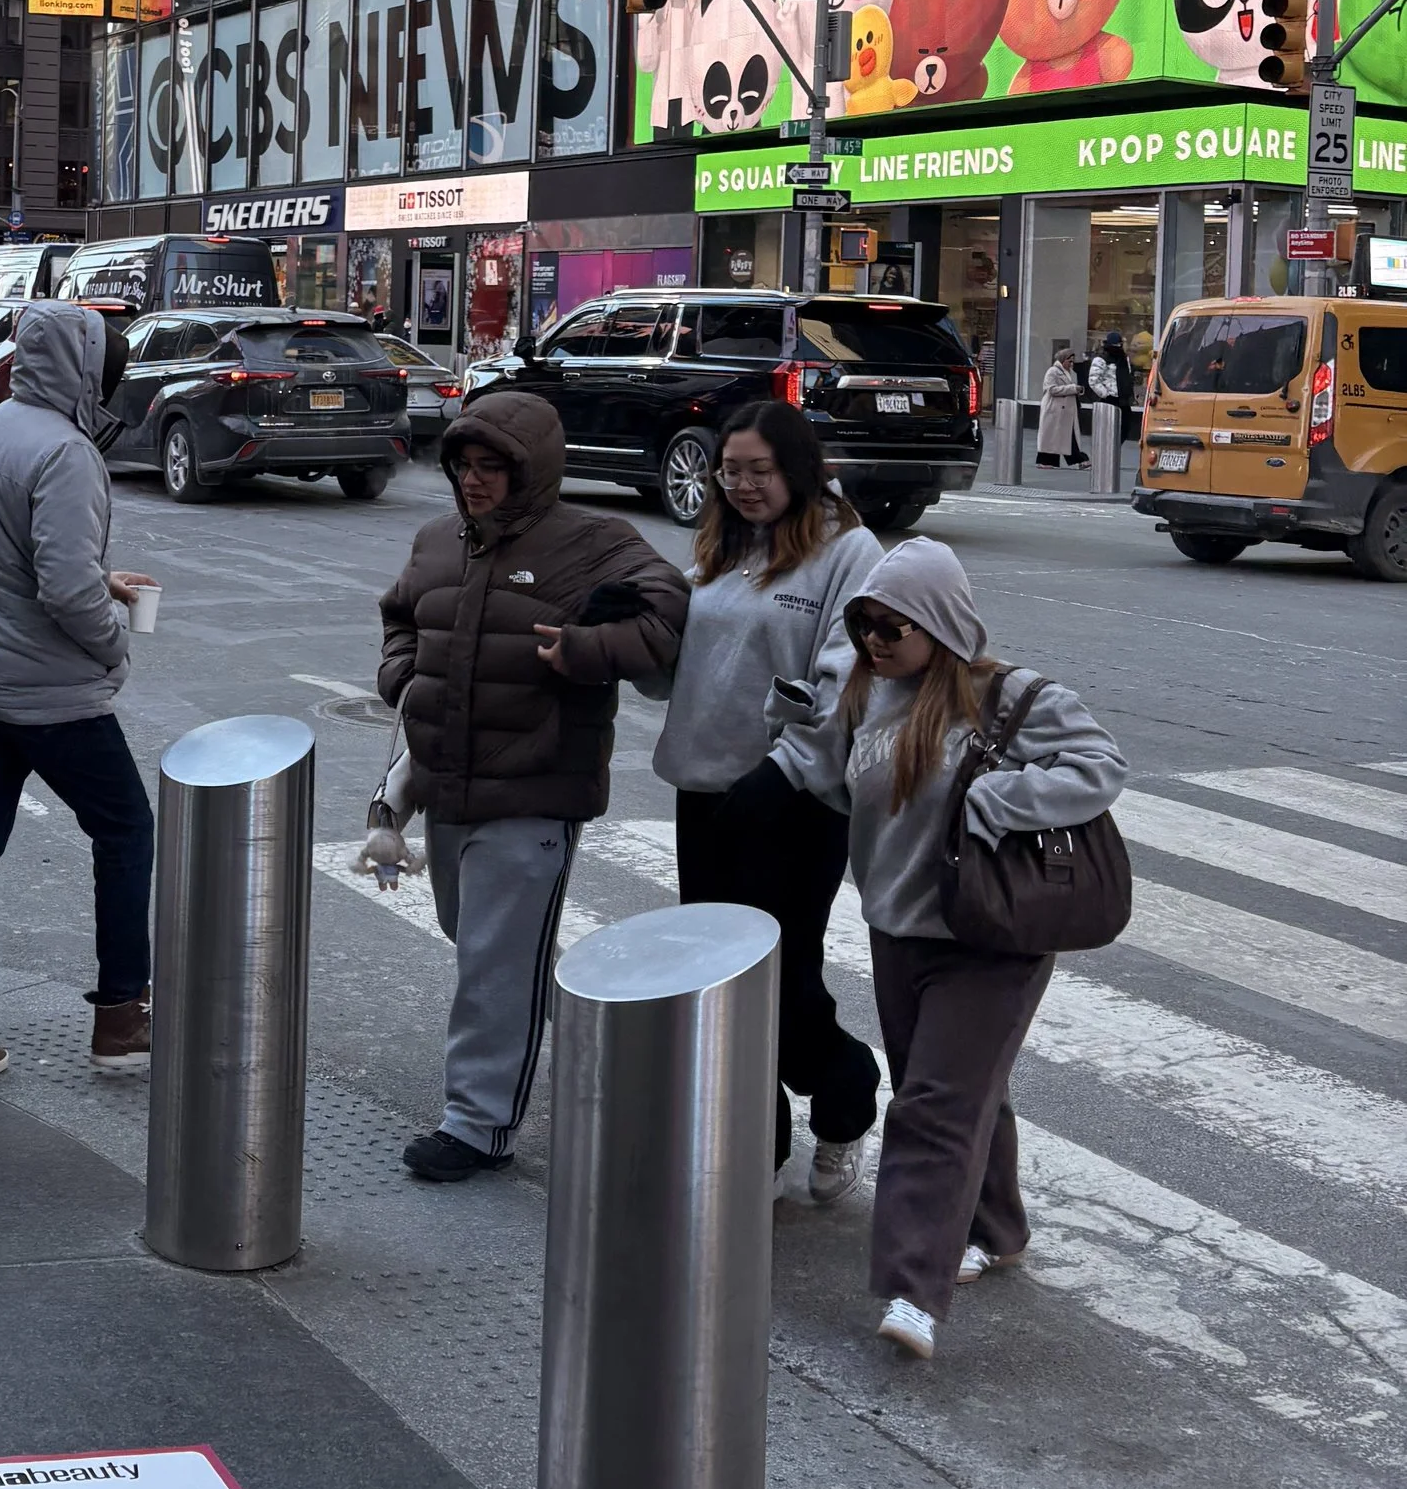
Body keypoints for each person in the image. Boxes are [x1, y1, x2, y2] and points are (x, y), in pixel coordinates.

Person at [795, 540, 1124, 1362]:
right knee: (957, 1089)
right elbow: (849, 791)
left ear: (939, 623)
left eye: (892, 624)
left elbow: (1100, 766)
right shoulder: (871, 699)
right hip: (898, 928)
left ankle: (914, 1286)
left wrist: (995, 799)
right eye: (862, 621)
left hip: (990, 934)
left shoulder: (1007, 696)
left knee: (933, 1106)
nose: (874, 639)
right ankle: (995, 1226)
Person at [377, 393, 687, 1179]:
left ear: (532, 470)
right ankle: (613, 1060)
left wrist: (585, 649)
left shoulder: (592, 541)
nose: (474, 482)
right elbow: (401, 615)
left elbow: (667, 616)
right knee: (482, 941)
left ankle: (477, 1124)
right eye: (464, 466)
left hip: (536, 789)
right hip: (449, 782)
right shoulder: (437, 539)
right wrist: (401, 675)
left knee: (493, 959)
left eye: (492, 468)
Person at [0, 303, 159, 1088]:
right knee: (127, 829)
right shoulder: (68, 453)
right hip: (50, 695)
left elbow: (4, 559)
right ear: (82, 370)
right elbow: (65, 590)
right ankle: (121, 1015)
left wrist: (96, 581)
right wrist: (113, 641)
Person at [647, 398, 884, 1196]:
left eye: (761, 470)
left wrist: (782, 772)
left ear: (798, 469)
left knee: (782, 981)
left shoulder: (846, 551)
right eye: (731, 470)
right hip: (707, 792)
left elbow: (848, 678)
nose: (743, 485)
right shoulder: (722, 545)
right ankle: (756, 1151)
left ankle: (847, 1093)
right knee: (719, 980)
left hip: (796, 800)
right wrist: (641, 630)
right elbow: (682, 666)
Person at [1035, 340, 1085, 468]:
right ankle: (1077, 460)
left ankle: (1076, 460)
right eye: (1070, 361)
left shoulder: (1071, 373)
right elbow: (1051, 389)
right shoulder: (1053, 371)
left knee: (1063, 436)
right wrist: (1073, 388)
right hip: (1054, 409)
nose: (1072, 364)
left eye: (1073, 361)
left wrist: (1078, 390)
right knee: (1053, 436)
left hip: (1066, 410)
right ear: (1063, 360)